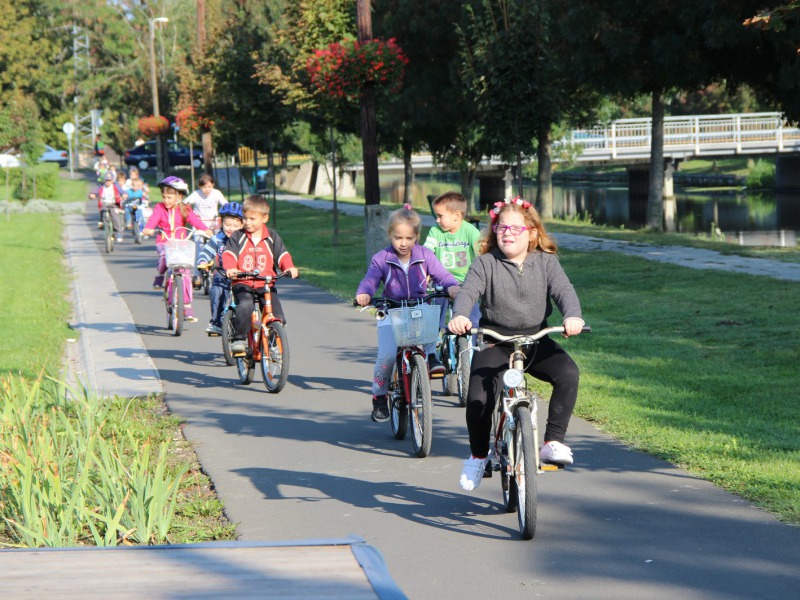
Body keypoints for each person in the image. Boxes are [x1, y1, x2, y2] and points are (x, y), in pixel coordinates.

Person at [448, 196, 586, 491]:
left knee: (569, 374)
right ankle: (478, 456)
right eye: (501, 228)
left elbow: (565, 292)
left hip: (535, 341)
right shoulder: (486, 263)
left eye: (515, 228)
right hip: (495, 342)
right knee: (478, 400)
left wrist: (573, 316)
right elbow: (467, 293)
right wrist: (460, 315)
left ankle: (552, 442)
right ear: (494, 232)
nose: (507, 233)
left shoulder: (547, 263)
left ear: (532, 233)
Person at [355, 204, 460, 423]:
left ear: (417, 237)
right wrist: (364, 293)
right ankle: (380, 396)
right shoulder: (381, 258)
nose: (403, 243)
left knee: (430, 317)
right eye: (398, 238)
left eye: (409, 238)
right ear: (390, 235)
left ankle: (430, 357)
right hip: (391, 310)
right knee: (386, 356)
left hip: (417, 308)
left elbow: (441, 274)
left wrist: (451, 286)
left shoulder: (425, 255)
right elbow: (371, 279)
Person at [221, 195, 299, 356]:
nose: (247, 222)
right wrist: (230, 268)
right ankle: (240, 339)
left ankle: (271, 344)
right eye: (245, 218)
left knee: (277, 315)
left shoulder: (271, 237)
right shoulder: (238, 236)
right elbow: (229, 254)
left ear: (265, 218)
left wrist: (290, 267)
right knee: (245, 306)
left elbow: (282, 255)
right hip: (243, 282)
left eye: (252, 219)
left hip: (266, 284)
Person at [423, 191, 482, 371]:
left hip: (467, 284)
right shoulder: (436, 232)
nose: (437, 220)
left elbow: (481, 255)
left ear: (457, 215)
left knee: (474, 319)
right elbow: (427, 254)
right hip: (441, 281)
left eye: (440, 216)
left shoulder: (470, 231)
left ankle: (472, 351)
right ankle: (433, 350)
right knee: (434, 314)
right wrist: (424, 274)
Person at [142, 176, 213, 323]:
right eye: (164, 197)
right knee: (163, 256)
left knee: (186, 274)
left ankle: (186, 306)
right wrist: (149, 228)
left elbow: (194, 220)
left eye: (169, 197)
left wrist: (206, 230)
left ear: (179, 196)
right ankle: (160, 274)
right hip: (164, 241)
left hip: (181, 243)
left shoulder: (185, 208)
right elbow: (154, 219)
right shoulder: (159, 208)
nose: (166, 200)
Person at [196, 202, 244, 335]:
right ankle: (216, 322)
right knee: (216, 290)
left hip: (243, 274)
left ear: (242, 225)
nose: (231, 228)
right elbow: (206, 251)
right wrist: (203, 261)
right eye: (227, 224)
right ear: (221, 222)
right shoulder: (217, 239)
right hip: (223, 272)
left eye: (235, 225)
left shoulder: (245, 239)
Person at [185, 174, 227, 288]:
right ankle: (197, 275)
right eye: (204, 187)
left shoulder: (216, 193)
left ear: (213, 185)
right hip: (199, 225)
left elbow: (225, 204)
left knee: (219, 245)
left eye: (209, 186)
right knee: (199, 247)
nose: (207, 190)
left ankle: (220, 270)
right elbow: (185, 203)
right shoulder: (196, 195)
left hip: (213, 224)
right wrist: (188, 212)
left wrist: (226, 213)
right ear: (199, 186)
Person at [88, 172, 126, 241]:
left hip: (113, 204)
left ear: (112, 180)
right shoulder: (101, 186)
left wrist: (124, 195)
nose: (107, 182)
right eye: (106, 180)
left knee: (115, 216)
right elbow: (95, 191)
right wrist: (92, 195)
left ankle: (118, 232)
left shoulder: (115, 186)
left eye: (109, 180)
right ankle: (101, 221)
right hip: (104, 204)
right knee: (102, 210)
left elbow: (122, 192)